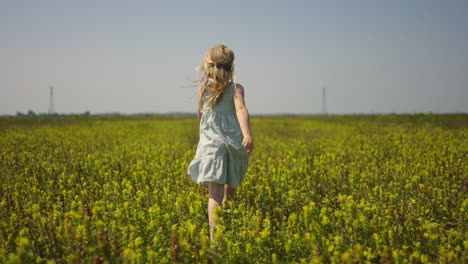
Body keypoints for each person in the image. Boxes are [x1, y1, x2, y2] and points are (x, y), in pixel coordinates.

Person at [187, 44, 253, 241]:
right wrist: (247, 134)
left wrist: (207, 136)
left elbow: (201, 116)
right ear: (231, 66)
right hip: (232, 143)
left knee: (214, 195)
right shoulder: (236, 89)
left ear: (208, 66)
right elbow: (241, 110)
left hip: (212, 145)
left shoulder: (203, 89)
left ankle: (215, 239)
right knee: (230, 185)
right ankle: (228, 218)